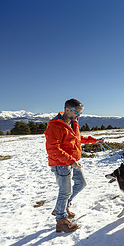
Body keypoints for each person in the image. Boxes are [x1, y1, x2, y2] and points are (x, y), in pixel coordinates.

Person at [44, 98, 103, 233]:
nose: (79, 115)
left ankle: (62, 207)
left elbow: (78, 139)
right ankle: (61, 221)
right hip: (61, 163)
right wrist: (70, 161)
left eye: (80, 113)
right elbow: (53, 149)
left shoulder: (73, 123)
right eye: (77, 112)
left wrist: (95, 140)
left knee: (81, 183)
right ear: (67, 110)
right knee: (65, 191)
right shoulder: (55, 125)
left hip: (73, 162)